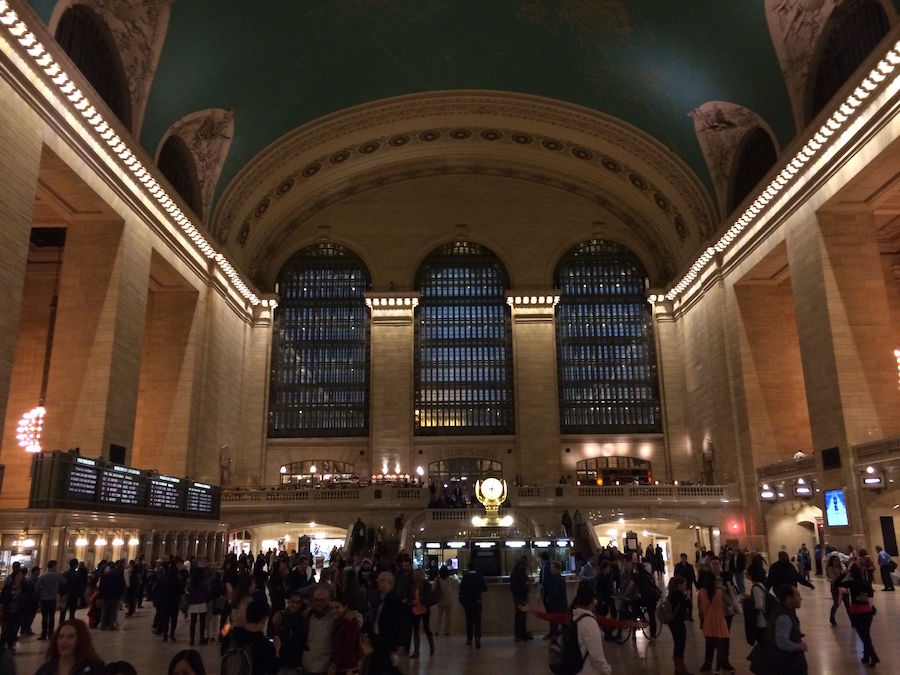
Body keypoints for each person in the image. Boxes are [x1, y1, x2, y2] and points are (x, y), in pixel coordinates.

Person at [697, 557, 736, 674]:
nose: (715, 566)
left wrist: (725, 590)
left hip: (726, 612)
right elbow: (701, 589)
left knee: (724, 638)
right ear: (710, 565)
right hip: (712, 611)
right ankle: (708, 661)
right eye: (713, 564)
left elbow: (733, 590)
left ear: (720, 564)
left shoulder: (726, 576)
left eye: (717, 564)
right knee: (710, 638)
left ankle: (725, 661)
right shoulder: (705, 576)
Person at [220, 599, 280, 675]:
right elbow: (273, 669)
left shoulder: (229, 639)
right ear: (264, 619)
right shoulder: (264, 646)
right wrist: (277, 650)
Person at [838, 563, 879, 666]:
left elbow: (837, 583)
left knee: (862, 634)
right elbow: (871, 596)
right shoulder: (866, 582)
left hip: (856, 610)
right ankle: (866, 656)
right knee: (866, 633)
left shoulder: (851, 583)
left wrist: (844, 573)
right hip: (867, 610)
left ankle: (873, 655)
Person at [365, 571, 404, 675]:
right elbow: (373, 618)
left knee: (380, 667)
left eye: (382, 580)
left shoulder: (394, 600)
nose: (378, 582)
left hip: (387, 640)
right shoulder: (377, 597)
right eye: (378, 580)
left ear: (390, 583)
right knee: (382, 667)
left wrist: (398, 645)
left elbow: (398, 623)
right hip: (377, 639)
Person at [33, 619, 105, 675]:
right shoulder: (46, 669)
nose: (64, 641)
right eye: (61, 637)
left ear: (81, 640)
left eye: (70, 637)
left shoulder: (94, 667)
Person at [302, 586, 335, 675]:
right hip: (307, 663)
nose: (318, 603)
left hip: (325, 665)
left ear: (329, 599)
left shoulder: (334, 616)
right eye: (316, 600)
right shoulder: (307, 614)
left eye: (322, 600)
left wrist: (353, 614)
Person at [270, 591, 306, 671]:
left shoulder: (303, 621)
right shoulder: (279, 617)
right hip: (280, 662)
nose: (294, 605)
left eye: (298, 602)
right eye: (292, 601)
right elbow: (271, 636)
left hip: (295, 664)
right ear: (288, 602)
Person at [665, 576, 693, 675]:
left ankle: (679, 668)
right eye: (684, 584)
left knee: (677, 644)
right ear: (679, 585)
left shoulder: (672, 594)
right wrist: (688, 596)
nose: (686, 586)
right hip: (678, 623)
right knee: (680, 645)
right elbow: (688, 606)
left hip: (672, 623)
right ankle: (680, 669)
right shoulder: (678, 594)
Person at [0, 567, 31, 650]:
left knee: (14, 628)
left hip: (19, 610)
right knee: (7, 627)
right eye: (19, 574)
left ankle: (10, 644)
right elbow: (3, 598)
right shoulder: (8, 586)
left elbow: (29, 597)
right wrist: (2, 609)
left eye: (22, 574)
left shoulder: (25, 587)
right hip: (9, 610)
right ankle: (2, 644)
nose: (21, 576)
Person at [458, 560, 487, 648]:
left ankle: (469, 639)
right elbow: (485, 588)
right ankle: (477, 638)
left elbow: (461, 590)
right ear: (476, 568)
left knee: (469, 621)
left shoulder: (465, 578)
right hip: (477, 601)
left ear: (468, 568)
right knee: (477, 621)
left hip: (468, 602)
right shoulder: (479, 577)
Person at [34, 560, 65, 641]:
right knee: (51, 616)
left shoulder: (43, 576)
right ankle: (50, 633)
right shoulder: (57, 575)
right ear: (54, 566)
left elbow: (37, 588)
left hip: (44, 599)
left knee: (44, 617)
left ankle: (43, 634)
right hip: (53, 598)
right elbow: (64, 581)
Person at [330, 595, 361, 674]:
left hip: (348, 667)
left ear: (345, 607)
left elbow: (349, 645)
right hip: (342, 666)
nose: (334, 611)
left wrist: (335, 664)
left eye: (337, 607)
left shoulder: (350, 621)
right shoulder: (339, 622)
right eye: (332, 608)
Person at [409, 569, 435, 657]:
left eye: (415, 574)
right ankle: (416, 651)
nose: (413, 576)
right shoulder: (414, 584)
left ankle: (432, 647)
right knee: (415, 629)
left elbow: (428, 596)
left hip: (424, 608)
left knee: (426, 628)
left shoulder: (425, 584)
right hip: (415, 608)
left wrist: (420, 600)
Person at [541, 561, 567, 640]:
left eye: (552, 567)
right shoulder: (560, 578)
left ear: (557, 569)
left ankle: (554, 634)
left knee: (554, 620)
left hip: (556, 603)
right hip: (560, 602)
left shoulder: (554, 579)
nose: (551, 569)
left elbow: (554, 592)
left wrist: (549, 599)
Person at [509, 556, 533, 642]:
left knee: (522, 617)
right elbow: (515, 587)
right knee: (520, 617)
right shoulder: (516, 575)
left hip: (522, 596)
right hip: (519, 597)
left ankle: (522, 634)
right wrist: (526, 584)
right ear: (521, 565)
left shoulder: (519, 573)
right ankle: (519, 635)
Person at [431, 565, 457, 637]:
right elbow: (457, 582)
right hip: (449, 599)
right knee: (448, 617)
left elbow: (433, 589)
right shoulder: (450, 579)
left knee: (439, 616)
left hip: (440, 600)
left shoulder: (437, 579)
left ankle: (437, 630)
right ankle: (447, 631)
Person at [825, 554, 849, 626]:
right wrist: (844, 575)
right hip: (836, 588)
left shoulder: (841, 568)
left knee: (847, 604)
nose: (836, 562)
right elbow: (834, 579)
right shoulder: (830, 568)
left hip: (844, 587)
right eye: (834, 560)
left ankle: (852, 620)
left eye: (837, 560)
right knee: (836, 603)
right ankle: (832, 617)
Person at [59, 559, 84, 625]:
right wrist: (80, 595)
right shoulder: (77, 575)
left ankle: (61, 624)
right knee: (72, 611)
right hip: (74, 595)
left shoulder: (65, 574)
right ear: (76, 565)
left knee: (63, 611)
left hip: (65, 594)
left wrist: (62, 593)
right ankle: (71, 624)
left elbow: (61, 585)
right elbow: (79, 586)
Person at [673, 554, 697, 620]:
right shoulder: (677, 566)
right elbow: (675, 575)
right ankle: (684, 614)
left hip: (688, 585)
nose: (683, 559)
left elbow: (693, 576)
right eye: (682, 558)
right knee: (682, 599)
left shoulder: (690, 566)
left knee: (689, 599)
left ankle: (690, 615)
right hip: (680, 586)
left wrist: (696, 585)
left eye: (684, 558)